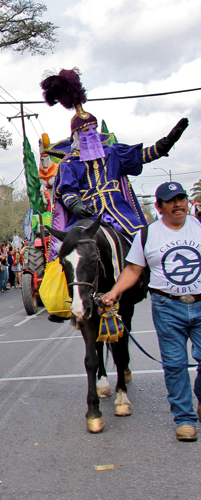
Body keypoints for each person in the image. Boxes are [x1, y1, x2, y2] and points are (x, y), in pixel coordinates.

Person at [101, 182, 201, 442]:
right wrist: (113, 292)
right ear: (159, 206)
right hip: (168, 307)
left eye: (182, 199)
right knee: (175, 364)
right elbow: (133, 270)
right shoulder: (147, 235)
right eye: (171, 200)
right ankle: (185, 419)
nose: (178, 204)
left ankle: (199, 396)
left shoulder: (200, 227)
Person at [41, 68, 188, 237]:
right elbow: (67, 191)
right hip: (87, 215)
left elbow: (143, 156)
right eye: (86, 130)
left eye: (94, 129)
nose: (92, 133)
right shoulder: (69, 164)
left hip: (120, 214)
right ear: (76, 136)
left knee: (145, 241)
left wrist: (167, 143)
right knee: (69, 251)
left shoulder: (112, 153)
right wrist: (75, 205)